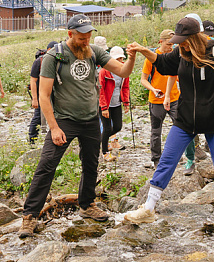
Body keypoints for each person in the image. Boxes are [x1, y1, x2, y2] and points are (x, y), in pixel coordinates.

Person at [124, 16, 214, 224]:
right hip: (185, 119)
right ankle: (148, 208)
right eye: (178, 40)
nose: (179, 44)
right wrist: (142, 50)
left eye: (183, 40)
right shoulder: (181, 53)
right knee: (167, 160)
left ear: (195, 37)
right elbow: (163, 63)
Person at [18, 14, 136, 238]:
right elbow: (43, 96)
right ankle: (29, 217)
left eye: (89, 36)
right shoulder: (54, 57)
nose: (86, 41)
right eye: (82, 38)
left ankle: (87, 205)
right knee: (47, 165)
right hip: (64, 120)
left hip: (91, 119)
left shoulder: (94, 52)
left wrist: (131, 58)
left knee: (91, 163)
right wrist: (53, 127)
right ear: (70, 34)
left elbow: (122, 71)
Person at [140, 29, 197, 172]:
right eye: (168, 45)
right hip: (156, 99)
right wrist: (152, 89)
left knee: (185, 127)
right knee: (156, 131)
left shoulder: (177, 56)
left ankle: (190, 158)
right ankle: (156, 160)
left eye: (173, 45)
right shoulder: (151, 58)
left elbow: (176, 76)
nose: (170, 48)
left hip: (174, 98)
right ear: (160, 42)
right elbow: (143, 79)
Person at [99, 46, 130, 162]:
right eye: (117, 59)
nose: (120, 62)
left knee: (117, 126)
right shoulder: (104, 72)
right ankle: (105, 152)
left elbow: (125, 87)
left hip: (116, 103)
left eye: (121, 59)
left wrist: (126, 102)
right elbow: (100, 91)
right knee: (107, 128)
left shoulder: (124, 71)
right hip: (105, 105)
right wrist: (104, 108)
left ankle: (103, 141)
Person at [28, 41, 57, 145]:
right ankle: (32, 140)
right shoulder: (39, 61)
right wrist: (35, 99)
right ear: (48, 50)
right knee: (38, 117)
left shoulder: (57, 60)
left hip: (55, 94)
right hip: (42, 95)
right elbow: (33, 81)